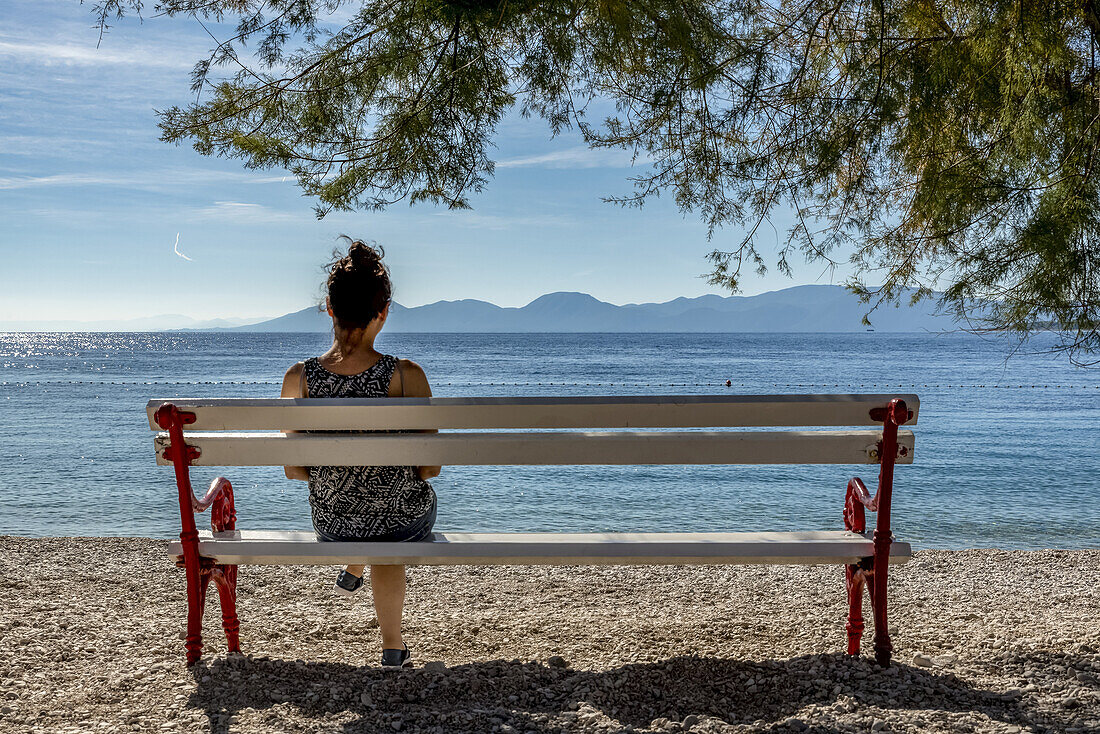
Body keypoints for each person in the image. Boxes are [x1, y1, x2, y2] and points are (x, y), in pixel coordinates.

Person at [281, 237, 440, 669]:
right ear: (383, 312)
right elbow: (430, 466)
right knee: (389, 522)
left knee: (359, 504)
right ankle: (392, 646)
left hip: (333, 522)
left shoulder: (300, 378)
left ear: (329, 309)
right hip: (400, 523)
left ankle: (354, 566)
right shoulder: (407, 376)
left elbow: (295, 469)